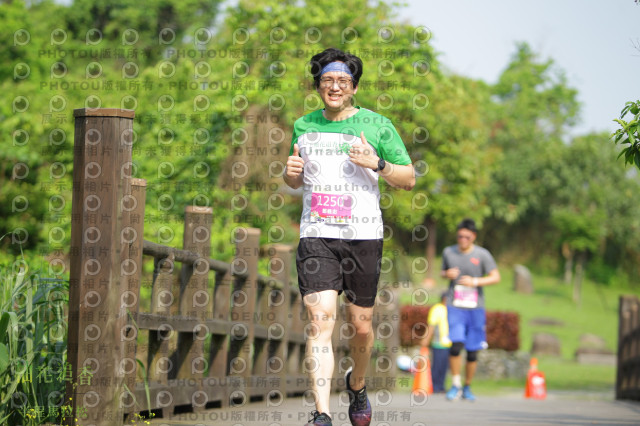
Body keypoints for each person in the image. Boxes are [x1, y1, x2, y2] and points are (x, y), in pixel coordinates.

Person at [284, 47, 415, 426]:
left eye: (343, 81)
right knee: (319, 321)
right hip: (317, 236)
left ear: (354, 87)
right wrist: (290, 174)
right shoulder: (303, 126)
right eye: (327, 80)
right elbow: (294, 179)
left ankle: (357, 384)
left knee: (361, 327)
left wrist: (378, 163)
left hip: (363, 237)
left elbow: (408, 178)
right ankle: (322, 413)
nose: (335, 86)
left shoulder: (377, 125)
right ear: (317, 86)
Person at [441, 218, 500, 401]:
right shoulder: (448, 252)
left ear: (473, 236)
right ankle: (455, 384)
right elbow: (442, 272)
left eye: (467, 237)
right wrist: (446, 274)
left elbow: (495, 277)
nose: (463, 240)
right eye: (460, 236)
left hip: (475, 307)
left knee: (473, 349)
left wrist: (475, 281)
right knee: (456, 344)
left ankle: (467, 386)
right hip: (455, 305)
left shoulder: (482, 254)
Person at [420, 291, 451, 393]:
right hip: (439, 343)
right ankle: (435, 386)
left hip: (449, 343)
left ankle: (441, 386)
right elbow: (431, 326)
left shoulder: (451, 309)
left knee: (444, 367)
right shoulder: (437, 309)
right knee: (437, 366)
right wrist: (426, 339)